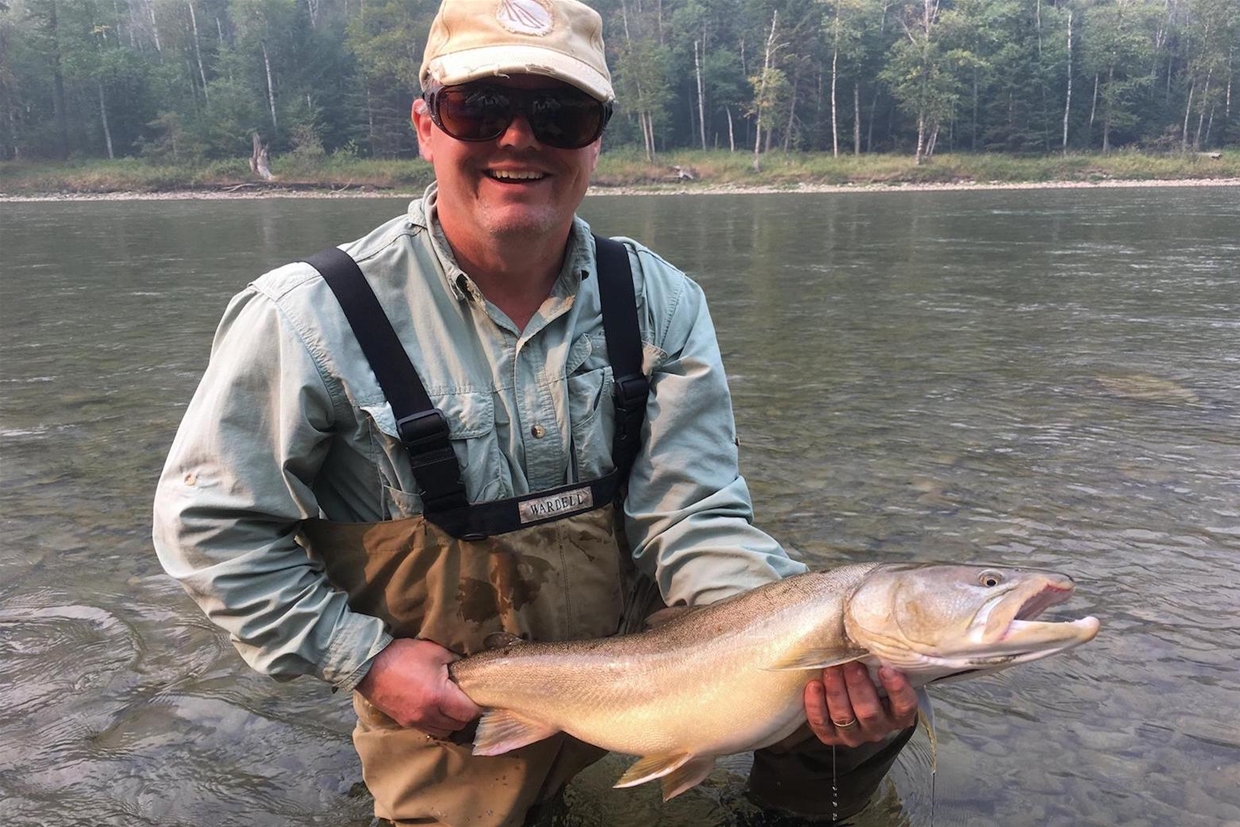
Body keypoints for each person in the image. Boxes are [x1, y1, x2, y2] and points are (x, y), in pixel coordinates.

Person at [152, 0, 918, 824]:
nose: (519, 138)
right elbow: (211, 527)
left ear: (595, 139)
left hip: (651, 668)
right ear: (424, 125)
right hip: (448, 697)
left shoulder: (661, 301)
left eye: (561, 113)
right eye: (478, 106)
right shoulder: (305, 317)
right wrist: (367, 662)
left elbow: (694, 514)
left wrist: (794, 632)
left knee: (856, 703)